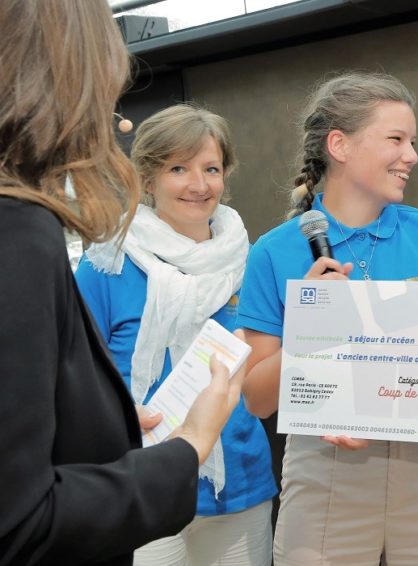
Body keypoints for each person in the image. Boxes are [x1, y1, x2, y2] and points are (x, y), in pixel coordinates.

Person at [0, 1, 244, 565]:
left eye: (210, 169)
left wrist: (100, 424)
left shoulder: (245, 256)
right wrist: (188, 447)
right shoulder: (22, 234)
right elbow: (20, 522)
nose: (118, 119)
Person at [237, 71, 418, 565]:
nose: (411, 155)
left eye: (413, 141)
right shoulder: (275, 251)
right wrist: (311, 326)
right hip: (325, 474)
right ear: (339, 145)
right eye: (396, 139)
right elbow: (257, 399)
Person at [75, 104, 277, 566]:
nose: (199, 185)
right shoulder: (108, 262)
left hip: (239, 482)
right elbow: (78, 372)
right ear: (147, 180)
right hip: (141, 479)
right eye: (178, 169)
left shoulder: (253, 261)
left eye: (211, 168)